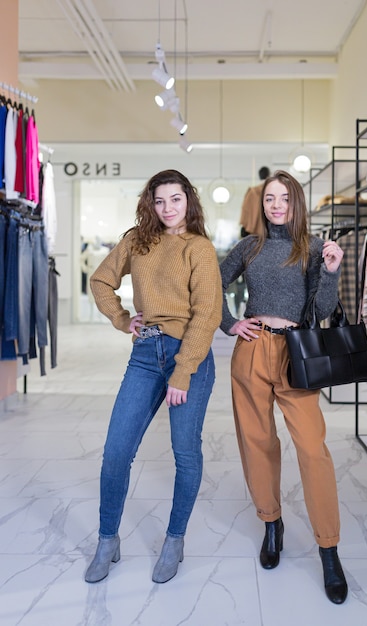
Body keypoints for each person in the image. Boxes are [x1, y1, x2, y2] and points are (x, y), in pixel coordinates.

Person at [85, 169, 222, 584]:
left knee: (184, 452)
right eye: (159, 201)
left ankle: (174, 540)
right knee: (115, 452)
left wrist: (182, 373)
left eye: (175, 200)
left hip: (190, 358)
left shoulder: (198, 248)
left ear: (188, 201)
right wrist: (122, 318)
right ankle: (107, 540)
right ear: (150, 203)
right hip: (146, 354)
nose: (167, 209)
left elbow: (208, 314)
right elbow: (101, 281)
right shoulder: (136, 240)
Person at [220, 169, 348, 605]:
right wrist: (229, 322)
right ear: (262, 203)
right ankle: (271, 524)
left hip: (298, 355)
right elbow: (210, 283)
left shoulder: (311, 248)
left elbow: (325, 308)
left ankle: (329, 550)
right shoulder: (249, 246)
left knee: (313, 449)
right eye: (270, 198)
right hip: (253, 350)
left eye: (284, 198)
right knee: (257, 443)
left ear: (296, 203)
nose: (276, 205)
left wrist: (330, 271)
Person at [239, 165, 270, 237]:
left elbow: (245, 210)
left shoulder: (252, 192)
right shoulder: (274, 192)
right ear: (269, 175)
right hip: (268, 230)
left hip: (252, 231)